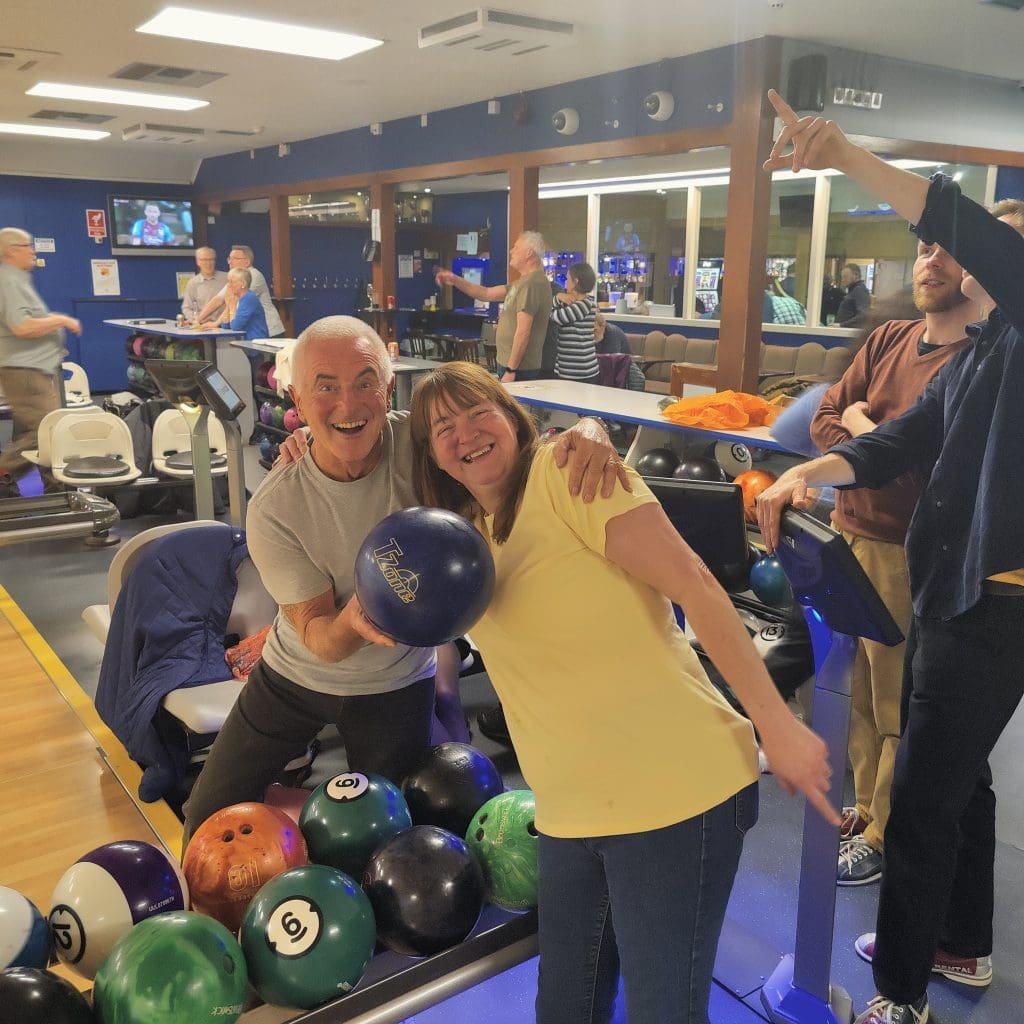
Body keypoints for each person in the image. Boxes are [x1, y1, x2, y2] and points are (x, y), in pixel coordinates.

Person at [406, 360, 836, 1024]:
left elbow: (694, 582)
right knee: (565, 1010)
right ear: (430, 453)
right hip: (571, 812)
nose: (465, 434)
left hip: (674, 795)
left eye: (477, 412)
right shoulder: (461, 538)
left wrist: (774, 722)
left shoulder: (569, 473)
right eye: (442, 427)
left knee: (663, 1012)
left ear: (510, 414)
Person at [757, 88, 1024, 1024]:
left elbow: (951, 217)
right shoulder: (990, 352)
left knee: (919, 798)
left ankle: (899, 995)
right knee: (969, 782)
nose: (977, 253)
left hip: (993, 603)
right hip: (963, 589)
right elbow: (895, 440)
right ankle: (961, 946)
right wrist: (807, 476)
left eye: (1000, 245)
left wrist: (843, 154)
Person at [182, 315, 627, 845]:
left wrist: (589, 432)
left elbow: (509, 449)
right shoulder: (276, 505)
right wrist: (359, 618)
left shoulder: (423, 446)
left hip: (395, 682)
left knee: (385, 842)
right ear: (295, 399)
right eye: (326, 388)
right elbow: (322, 639)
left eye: (364, 382)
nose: (348, 405)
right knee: (205, 821)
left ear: (388, 387)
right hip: (292, 678)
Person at [810, 238, 976, 888]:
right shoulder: (889, 340)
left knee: (892, 701)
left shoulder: (975, 362)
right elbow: (823, 419)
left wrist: (862, 428)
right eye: (925, 247)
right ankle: (866, 807)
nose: (932, 260)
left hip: (904, 551)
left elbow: (921, 465)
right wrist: (860, 428)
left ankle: (883, 831)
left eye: (949, 250)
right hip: (841, 531)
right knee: (848, 692)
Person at [0, 228, 81, 498]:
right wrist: (61, 320)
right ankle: (5, 474)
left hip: (32, 368)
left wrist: (52, 346)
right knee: (46, 432)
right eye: (27, 246)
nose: (33, 251)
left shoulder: (17, 279)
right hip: (25, 372)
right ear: (11, 250)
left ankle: (56, 489)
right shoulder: (9, 279)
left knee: (45, 431)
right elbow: (22, 326)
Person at [436, 232, 551, 383]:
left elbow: (523, 332)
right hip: (510, 365)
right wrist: (455, 280)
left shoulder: (532, 284)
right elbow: (486, 293)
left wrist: (511, 369)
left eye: (516, 247)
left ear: (529, 252)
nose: (511, 251)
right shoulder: (522, 283)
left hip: (519, 369)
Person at [195, 244, 285, 337]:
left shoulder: (252, 275)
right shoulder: (236, 278)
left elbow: (233, 301)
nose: (230, 262)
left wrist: (216, 323)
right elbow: (218, 299)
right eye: (229, 258)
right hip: (253, 332)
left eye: (234, 258)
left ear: (246, 262)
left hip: (269, 332)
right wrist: (198, 320)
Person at [551, 261, 599, 383]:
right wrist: (559, 299)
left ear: (576, 281)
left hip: (579, 371)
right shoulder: (576, 303)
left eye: (567, 278)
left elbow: (553, 316)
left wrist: (557, 298)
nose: (565, 282)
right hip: (566, 367)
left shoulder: (584, 305)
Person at [214, 267, 268, 341]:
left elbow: (236, 326)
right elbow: (225, 325)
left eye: (232, 282)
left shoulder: (248, 298)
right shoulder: (238, 298)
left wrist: (232, 307)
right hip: (248, 343)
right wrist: (229, 305)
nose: (229, 286)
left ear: (243, 284)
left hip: (257, 344)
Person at [180, 246, 226, 323]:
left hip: (224, 325)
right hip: (202, 325)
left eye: (211, 259)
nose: (208, 263)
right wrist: (197, 319)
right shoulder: (193, 283)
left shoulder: (227, 278)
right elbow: (186, 308)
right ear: (198, 262)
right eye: (204, 260)